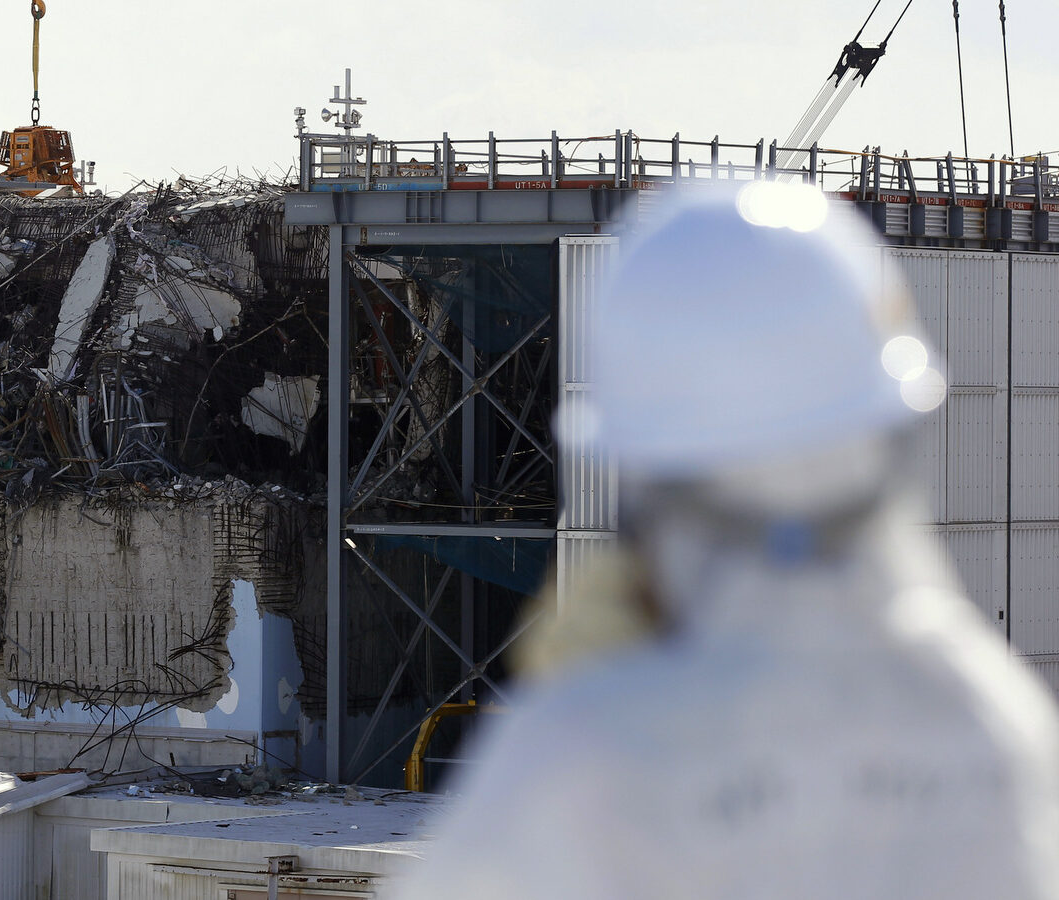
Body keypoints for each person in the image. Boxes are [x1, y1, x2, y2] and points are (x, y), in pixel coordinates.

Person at [387, 181, 1059, 899]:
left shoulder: (582, 759)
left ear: (639, 471)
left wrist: (574, 706)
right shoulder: (991, 720)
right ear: (889, 435)